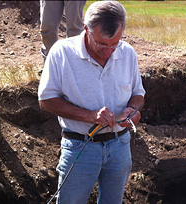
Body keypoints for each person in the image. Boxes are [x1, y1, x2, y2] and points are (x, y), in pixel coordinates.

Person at [37, 1, 145, 203]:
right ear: (86, 29)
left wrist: (133, 109)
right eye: (102, 44)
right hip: (80, 145)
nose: (109, 51)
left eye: (114, 44)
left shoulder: (127, 52)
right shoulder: (62, 53)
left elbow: (138, 94)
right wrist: (89, 116)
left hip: (120, 145)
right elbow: (46, 100)